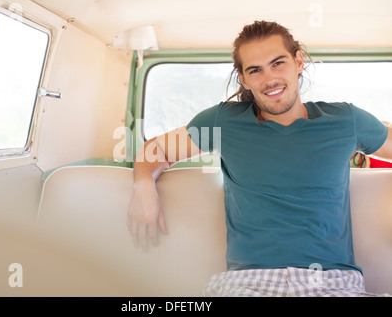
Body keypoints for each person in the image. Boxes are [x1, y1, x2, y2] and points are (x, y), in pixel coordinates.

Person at [126, 20, 392, 296]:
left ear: (299, 62)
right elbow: (156, 149)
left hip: (334, 285)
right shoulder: (223, 121)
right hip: (249, 284)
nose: (269, 79)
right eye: (255, 70)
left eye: (278, 63)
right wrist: (143, 185)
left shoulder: (345, 120)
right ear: (243, 79)